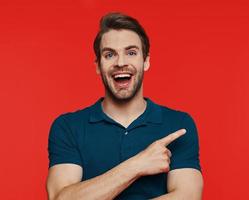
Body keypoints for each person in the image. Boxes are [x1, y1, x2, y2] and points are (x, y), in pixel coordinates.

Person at [46, 12, 203, 200]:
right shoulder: (68, 127)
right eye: (110, 54)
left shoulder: (178, 125)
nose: (120, 63)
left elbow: (189, 196)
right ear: (98, 65)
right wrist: (136, 165)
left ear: (146, 61)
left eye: (131, 53)